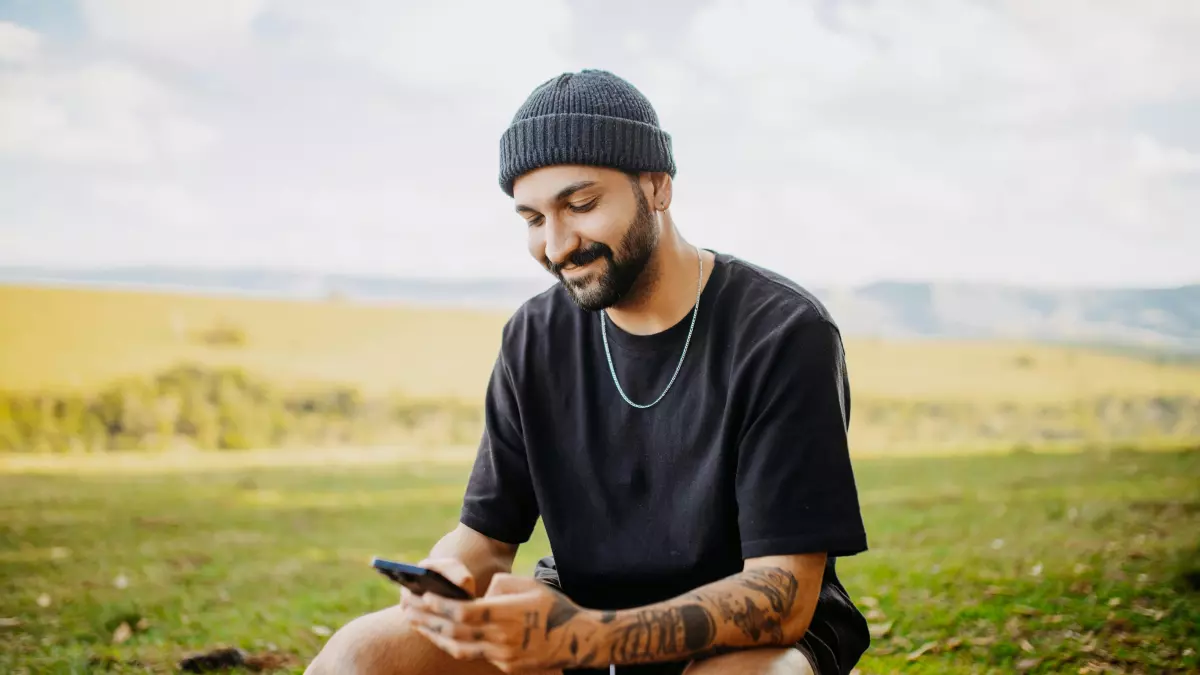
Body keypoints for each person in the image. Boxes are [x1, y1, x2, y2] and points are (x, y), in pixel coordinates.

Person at [305, 69, 870, 675]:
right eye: (532, 219)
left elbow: (781, 596)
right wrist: (448, 580)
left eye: (580, 205)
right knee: (361, 654)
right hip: (574, 615)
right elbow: (484, 542)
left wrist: (584, 639)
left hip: (744, 638)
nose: (556, 245)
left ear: (657, 186)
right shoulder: (534, 335)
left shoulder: (783, 332)